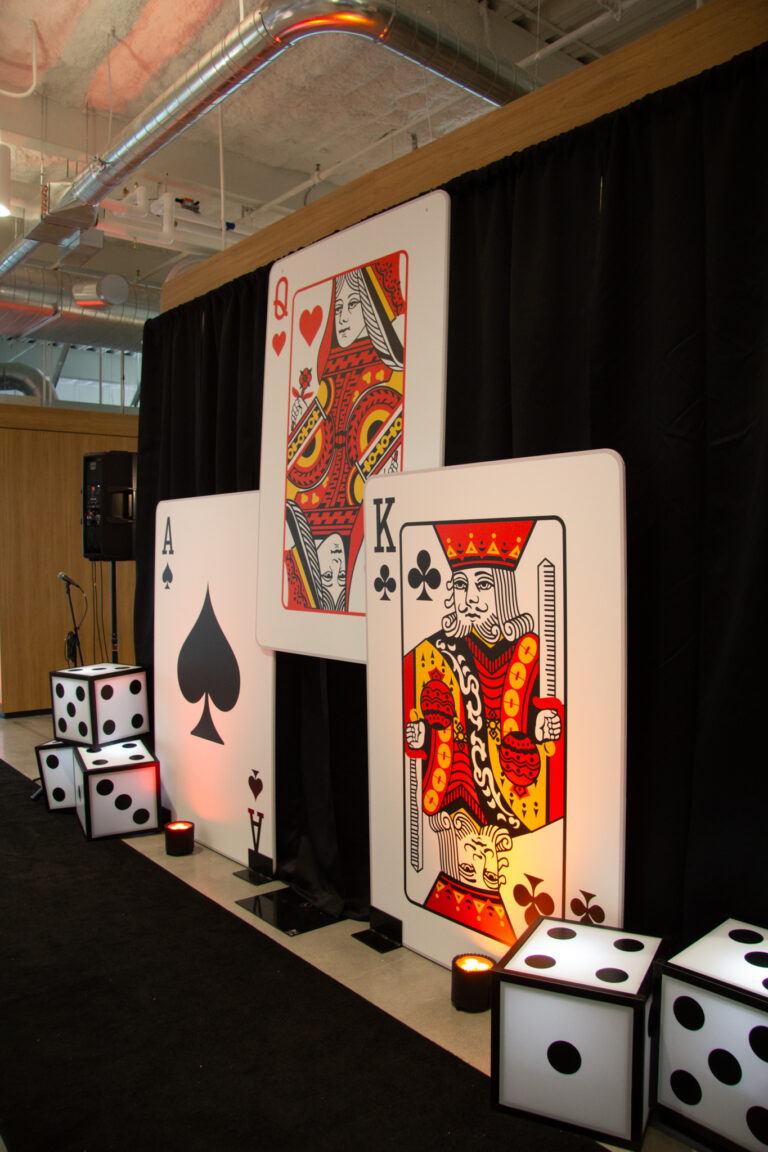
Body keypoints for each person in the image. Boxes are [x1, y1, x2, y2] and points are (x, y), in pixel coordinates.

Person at [403, 518, 564, 943]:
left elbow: (532, 716)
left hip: (507, 786)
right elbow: (422, 712)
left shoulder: (526, 652)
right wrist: (419, 736)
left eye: (483, 586)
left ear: (505, 590)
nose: (471, 598)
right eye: (461, 586)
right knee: (458, 857)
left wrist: (544, 725)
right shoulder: (432, 650)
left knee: (494, 862)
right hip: (454, 779)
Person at [284, 255, 405, 612]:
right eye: (338, 307)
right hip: (335, 485)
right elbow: (306, 463)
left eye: (353, 304)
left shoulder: (388, 370)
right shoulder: (326, 381)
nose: (343, 317)